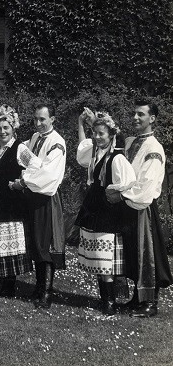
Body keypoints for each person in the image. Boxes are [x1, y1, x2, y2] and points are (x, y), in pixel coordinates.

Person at [106, 100, 173, 317]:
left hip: (142, 206)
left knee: (147, 255)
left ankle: (150, 304)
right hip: (128, 205)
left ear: (152, 119)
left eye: (141, 115)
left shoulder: (154, 148)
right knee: (132, 253)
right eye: (134, 114)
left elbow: (147, 183)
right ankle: (137, 298)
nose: (135, 118)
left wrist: (121, 194)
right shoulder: (131, 142)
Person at [75, 108, 136, 315]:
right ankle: (105, 299)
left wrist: (114, 192)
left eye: (102, 134)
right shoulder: (95, 153)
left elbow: (128, 182)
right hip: (94, 207)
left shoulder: (117, 158)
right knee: (98, 258)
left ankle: (110, 301)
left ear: (112, 136)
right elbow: (81, 153)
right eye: (95, 133)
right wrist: (81, 126)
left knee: (105, 259)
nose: (97, 137)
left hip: (107, 212)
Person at [11, 104, 66, 309]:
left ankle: (46, 292)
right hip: (32, 195)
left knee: (44, 243)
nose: (38, 123)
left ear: (53, 119)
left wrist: (23, 182)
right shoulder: (34, 138)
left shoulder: (57, 142)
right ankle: (38, 286)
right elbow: (20, 150)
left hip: (46, 196)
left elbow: (49, 174)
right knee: (34, 242)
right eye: (36, 119)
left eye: (43, 119)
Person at [0, 105, 40, 297]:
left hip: (11, 204)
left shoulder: (19, 148)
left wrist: (23, 182)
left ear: (13, 127)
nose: (2, 131)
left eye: (6, 127)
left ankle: (8, 285)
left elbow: (37, 165)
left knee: (9, 243)